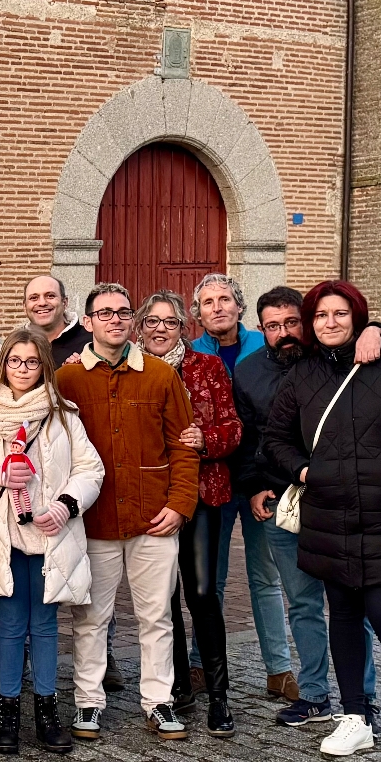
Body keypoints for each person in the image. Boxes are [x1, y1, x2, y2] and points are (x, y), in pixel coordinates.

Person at [264, 281, 381, 762]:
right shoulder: (302, 375)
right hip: (328, 514)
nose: (329, 322)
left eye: (340, 313)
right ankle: (355, 718)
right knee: (343, 616)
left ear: (357, 316)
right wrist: (304, 472)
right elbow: (276, 438)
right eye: (321, 315)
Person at [235, 286, 381, 725]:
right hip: (289, 497)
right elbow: (257, 438)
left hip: (351, 502)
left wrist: (380, 328)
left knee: (353, 606)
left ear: (307, 322)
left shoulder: (353, 353)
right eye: (272, 326)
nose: (284, 333)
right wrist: (258, 484)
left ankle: (364, 700)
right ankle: (316, 695)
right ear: (260, 330)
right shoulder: (248, 372)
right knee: (303, 603)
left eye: (291, 322)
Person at [0, 326, 104, 755]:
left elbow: (90, 470)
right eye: (15, 360)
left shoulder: (63, 415)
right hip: (5, 536)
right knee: (11, 627)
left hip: (51, 535)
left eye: (32, 361)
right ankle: (8, 712)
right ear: (4, 365)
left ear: (43, 367)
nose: (22, 368)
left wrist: (66, 505)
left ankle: (47, 711)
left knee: (46, 627)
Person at [57, 283, 198, 741]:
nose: (114, 320)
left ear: (131, 322)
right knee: (91, 617)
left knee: (156, 617)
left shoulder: (160, 376)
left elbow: (183, 443)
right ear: (89, 321)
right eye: (105, 313)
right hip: (94, 522)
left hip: (153, 519)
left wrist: (179, 504)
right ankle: (88, 702)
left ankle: (159, 701)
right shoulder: (68, 379)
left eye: (122, 312)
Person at [186, 273, 295, 703]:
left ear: (239, 306)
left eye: (225, 299)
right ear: (197, 313)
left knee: (265, 575)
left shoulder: (266, 347)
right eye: (208, 301)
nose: (217, 307)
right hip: (210, 480)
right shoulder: (190, 354)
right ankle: (200, 662)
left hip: (260, 479)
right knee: (207, 580)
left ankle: (279, 668)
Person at [136, 290, 241, 737]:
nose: (161, 329)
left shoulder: (207, 367)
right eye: (153, 322)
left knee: (199, 593)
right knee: (162, 599)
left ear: (185, 327)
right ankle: (177, 683)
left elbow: (234, 427)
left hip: (201, 494)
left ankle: (218, 695)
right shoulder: (131, 371)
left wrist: (208, 438)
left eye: (171, 322)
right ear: (140, 327)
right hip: (151, 499)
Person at [24, 275, 93, 367]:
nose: (42, 303)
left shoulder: (91, 342)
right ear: (24, 306)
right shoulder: (16, 344)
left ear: (64, 302)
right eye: (34, 298)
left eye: (50, 296)